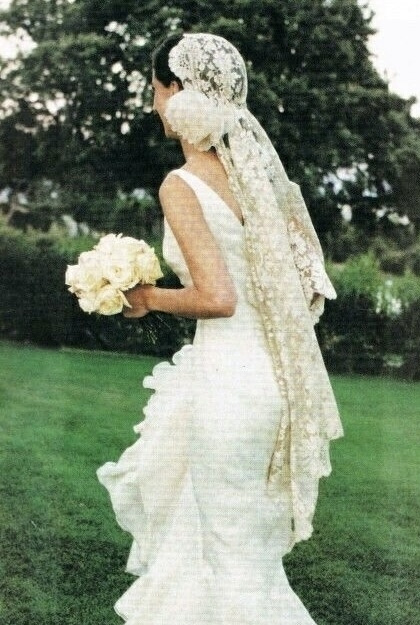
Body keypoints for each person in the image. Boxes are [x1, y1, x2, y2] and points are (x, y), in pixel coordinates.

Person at [97, 32, 343, 624]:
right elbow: (309, 288)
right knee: (235, 549)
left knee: (233, 560)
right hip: (273, 384)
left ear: (178, 91)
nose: (154, 105)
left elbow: (218, 297)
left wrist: (144, 297)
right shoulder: (266, 188)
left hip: (230, 386)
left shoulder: (181, 185)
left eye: (156, 91)